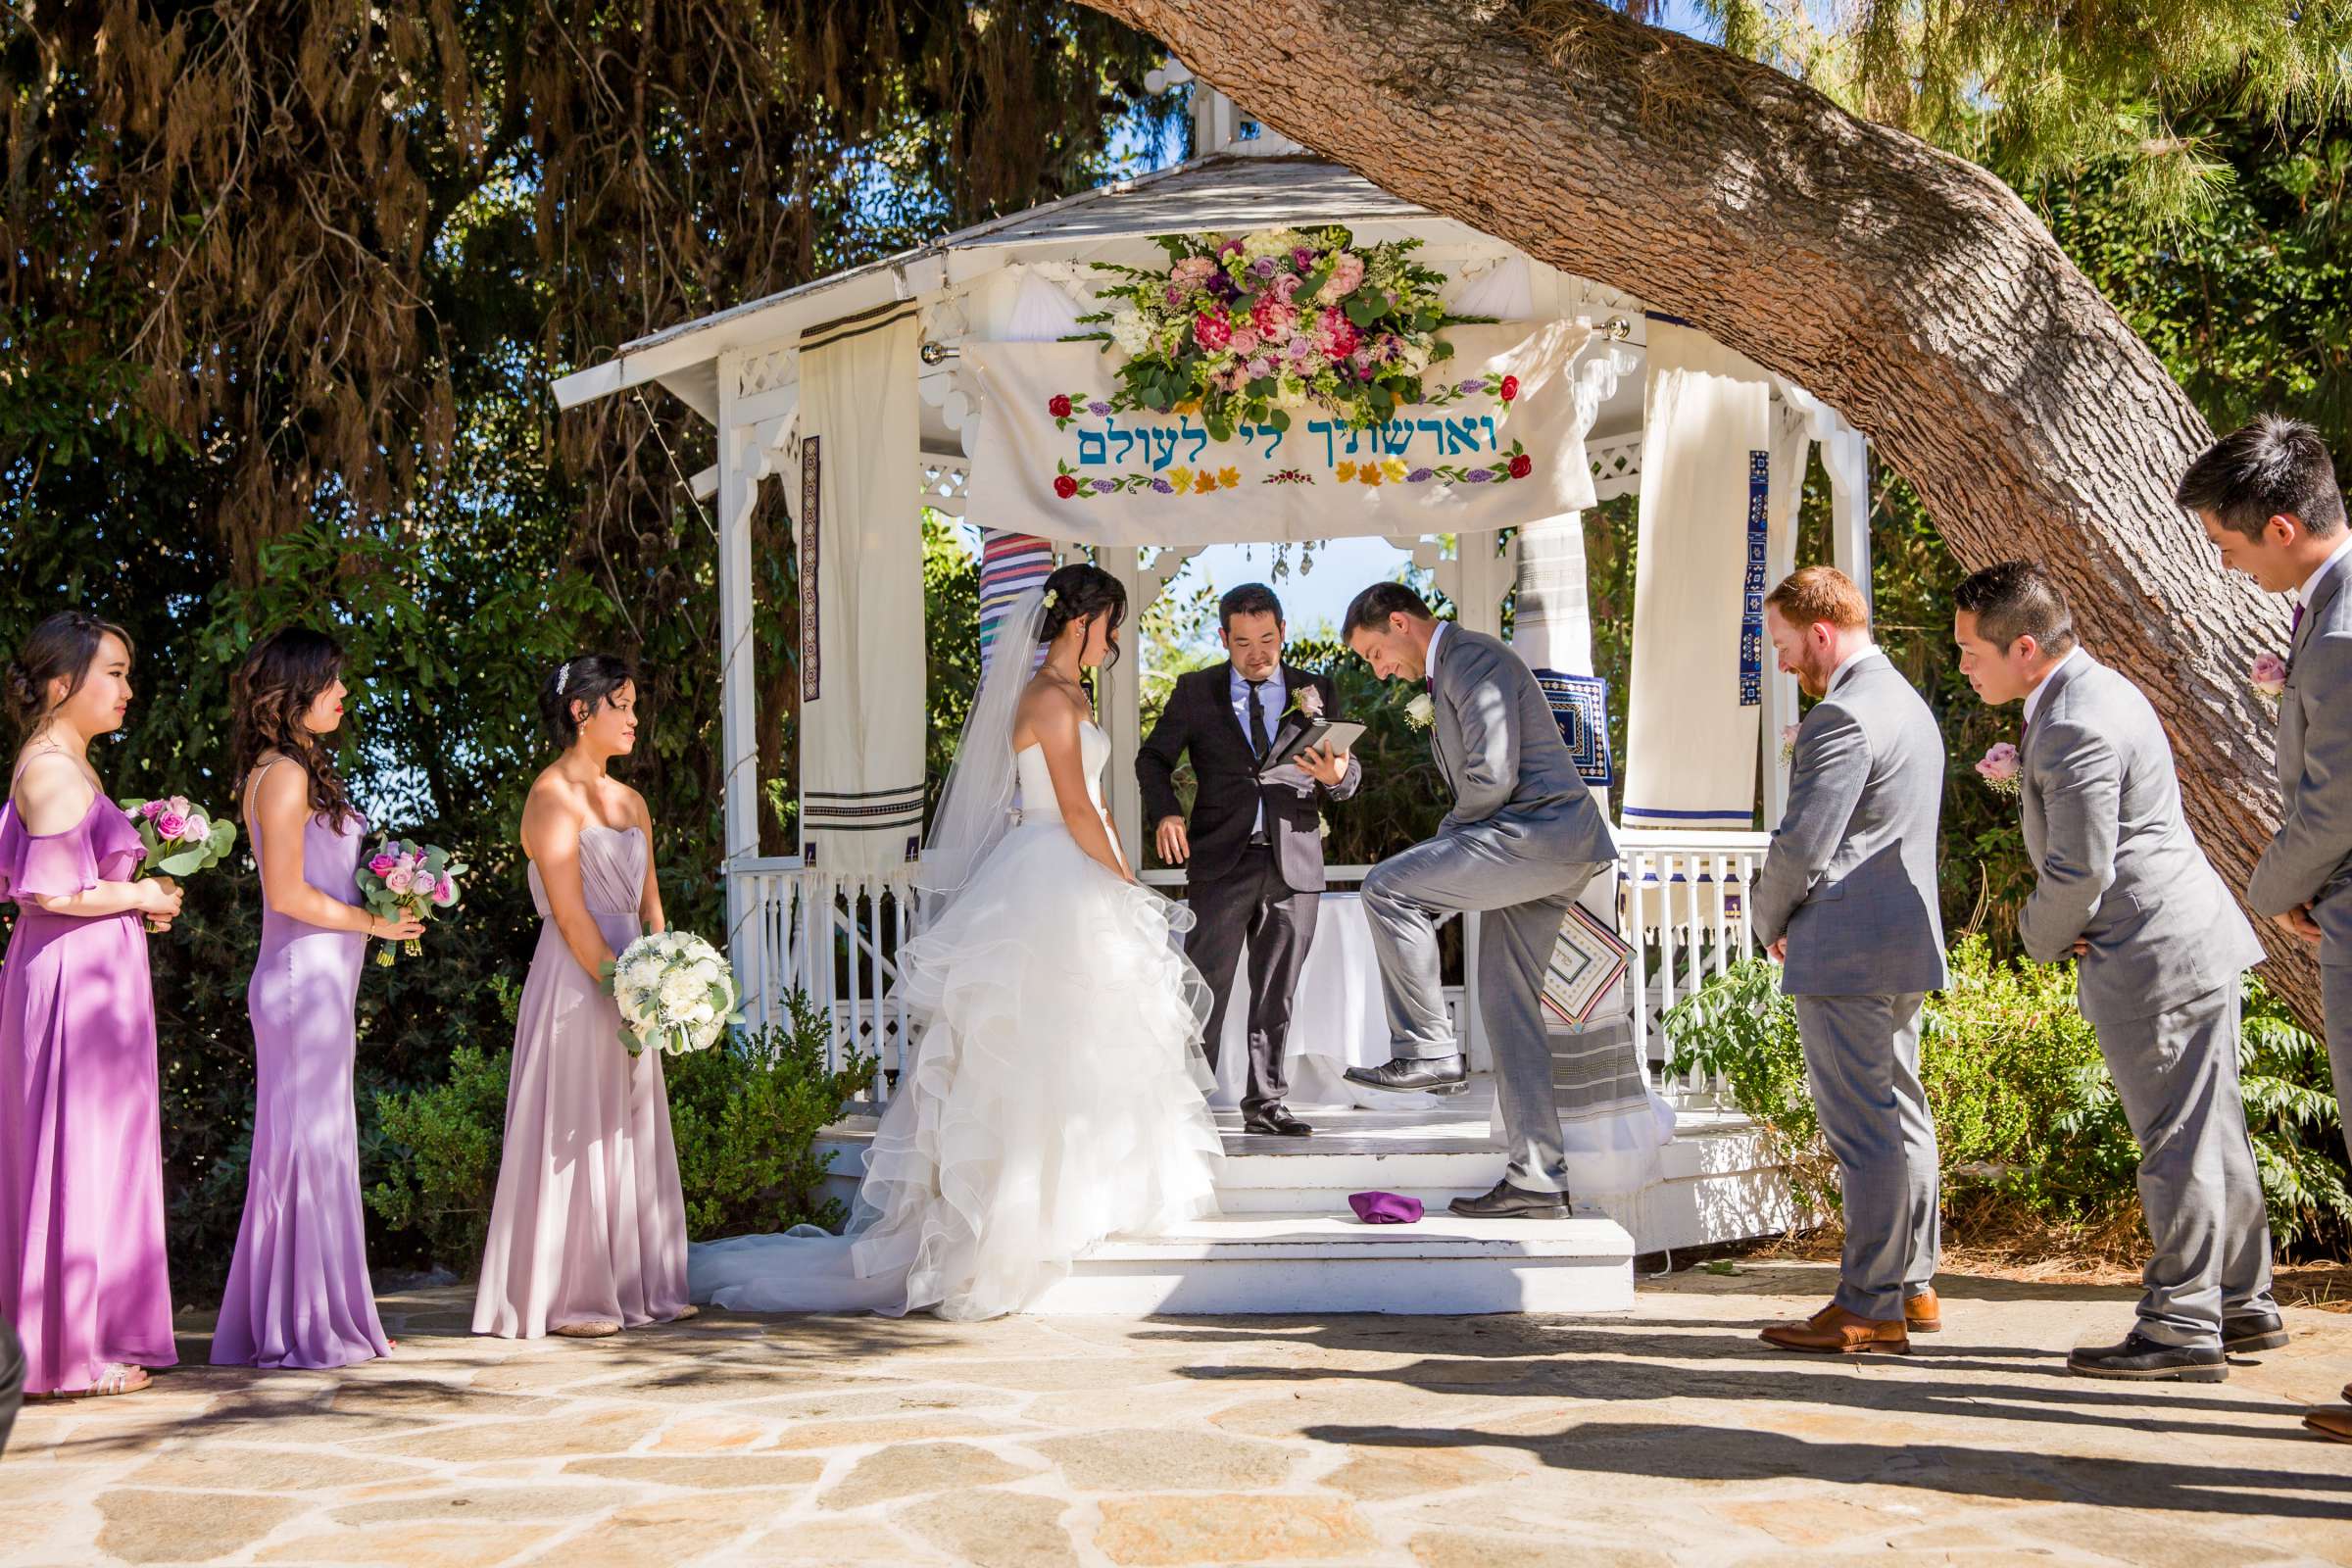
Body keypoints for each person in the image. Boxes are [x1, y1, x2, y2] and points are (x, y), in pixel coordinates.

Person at [689, 564, 1223, 1319]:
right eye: (1112, 626)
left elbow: (1090, 804)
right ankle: (1019, 1218)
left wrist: (1114, 871)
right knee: (1033, 1044)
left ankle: (1088, 1196)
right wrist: (1127, 882)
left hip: (1066, 867)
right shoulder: (1045, 698)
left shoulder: (1070, 695)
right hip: (1053, 868)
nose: (1114, 642)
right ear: (1084, 620)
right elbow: (1074, 806)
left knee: (1084, 1039)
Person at [1955, 563, 2279, 1380]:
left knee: (2176, 1140)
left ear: (2024, 648)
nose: (1964, 666)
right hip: (2187, 935)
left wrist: (2034, 935)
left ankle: (2180, 1326)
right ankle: (2243, 1304)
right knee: (2211, 1128)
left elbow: (2079, 870)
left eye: (1971, 651)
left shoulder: (2073, 723)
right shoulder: (2097, 688)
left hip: (2153, 952)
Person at [2177, 417, 2352, 1430]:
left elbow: (2335, 804)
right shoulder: (2326, 608)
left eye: (2231, 546)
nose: (2230, 566)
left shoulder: (2335, 631)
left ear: (2282, 526)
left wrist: (2269, 884)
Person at [1339, 583, 1618, 1218]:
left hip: (1534, 836)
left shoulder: (1471, 659)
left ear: (1402, 624)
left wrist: (1443, 848)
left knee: (1386, 888)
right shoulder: (1454, 669)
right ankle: (1538, 1179)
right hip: (1550, 844)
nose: (1378, 669)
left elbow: (1491, 774)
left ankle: (1427, 1050)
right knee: (1505, 1003)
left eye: (1376, 652)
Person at [1749, 567, 1946, 1355]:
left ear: (1821, 633)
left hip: (1845, 950)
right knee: (1902, 1111)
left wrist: (1767, 920)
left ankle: (1870, 1303)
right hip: (1903, 943)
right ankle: (1915, 1285)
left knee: (1864, 1129)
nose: (1785, 663)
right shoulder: (1910, 706)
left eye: (1786, 646)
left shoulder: (1842, 717)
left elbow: (1803, 843)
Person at [211, 628, 416, 1371]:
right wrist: (374, 921)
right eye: (332, 682)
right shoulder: (284, 776)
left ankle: (324, 1313)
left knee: (317, 1146)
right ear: (295, 689)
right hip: (302, 982)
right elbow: (289, 893)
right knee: (305, 1148)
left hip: (323, 980)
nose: (343, 694)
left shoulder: (295, 770)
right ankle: (307, 1323)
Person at [473, 655, 695, 1339]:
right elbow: (571, 917)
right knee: (575, 1124)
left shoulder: (632, 803)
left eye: (634, 706)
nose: (633, 718)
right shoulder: (550, 798)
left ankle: (639, 1284)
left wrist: (671, 982)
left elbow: (652, 908)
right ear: (581, 711)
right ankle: (573, 1295)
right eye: (620, 706)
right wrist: (625, 989)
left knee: (628, 1123)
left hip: (634, 983)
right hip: (576, 983)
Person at [0, 612, 180, 1398]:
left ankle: (90, 1329)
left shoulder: (73, 764)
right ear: (60, 681)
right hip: (71, 982)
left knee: (100, 1153)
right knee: (72, 1152)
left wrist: (141, 902)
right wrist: (138, 889)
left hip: (95, 979)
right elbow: (46, 889)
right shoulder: (51, 770)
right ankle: (67, 1352)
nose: (127, 689)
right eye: (113, 672)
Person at [1137, 582, 1360, 1136]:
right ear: (1223, 639)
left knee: (1276, 990)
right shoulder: (1195, 691)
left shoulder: (1317, 689)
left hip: (1296, 861)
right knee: (1203, 987)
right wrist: (1166, 813)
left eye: (1266, 639)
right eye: (1242, 643)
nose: (1257, 653)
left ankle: (1266, 1104)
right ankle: (1185, 1103)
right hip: (1219, 861)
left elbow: (1350, 774)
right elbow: (1153, 758)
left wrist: (1338, 777)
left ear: (1282, 632)